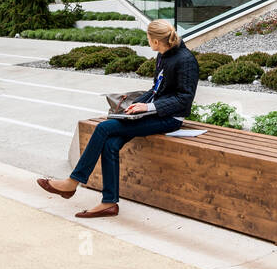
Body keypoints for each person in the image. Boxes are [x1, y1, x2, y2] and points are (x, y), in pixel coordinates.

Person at [36, 19, 198, 218]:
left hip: (170, 118)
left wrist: (148, 106)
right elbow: (157, 89)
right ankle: (109, 203)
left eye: (148, 38)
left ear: (155, 41)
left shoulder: (185, 60)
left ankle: (72, 182)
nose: (148, 42)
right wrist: (135, 105)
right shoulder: (164, 54)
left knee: (104, 128)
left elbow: (184, 99)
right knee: (111, 143)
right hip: (152, 112)